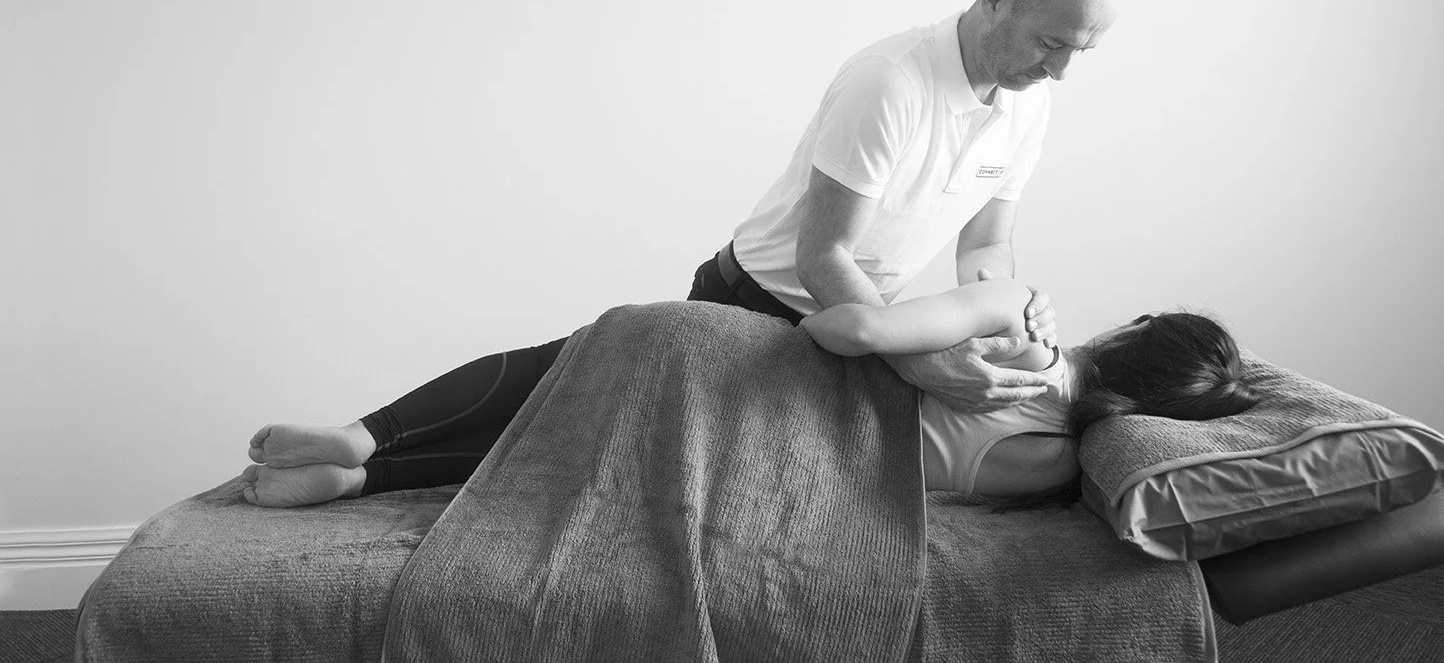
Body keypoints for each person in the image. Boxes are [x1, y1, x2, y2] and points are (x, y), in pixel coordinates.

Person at [239, 276, 1258, 507]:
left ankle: (368, 436)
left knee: (563, 368)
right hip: (757, 473)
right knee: (567, 448)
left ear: (1129, 331)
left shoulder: (1008, 314)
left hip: (736, 366)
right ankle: (363, 483)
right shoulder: (1054, 468)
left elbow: (845, 325)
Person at [687, 0, 1122, 416]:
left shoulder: (1029, 104)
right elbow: (824, 256)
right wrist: (918, 362)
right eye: (1049, 43)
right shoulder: (889, 83)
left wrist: (1011, 311)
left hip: (856, 331)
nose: (1060, 72)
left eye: (1080, 51)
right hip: (748, 308)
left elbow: (985, 246)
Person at [800, 277, 1260, 497]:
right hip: (825, 482)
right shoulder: (1064, 467)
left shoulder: (1022, 326)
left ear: (1133, 331)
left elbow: (858, 330)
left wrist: (802, 321)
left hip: (796, 402)